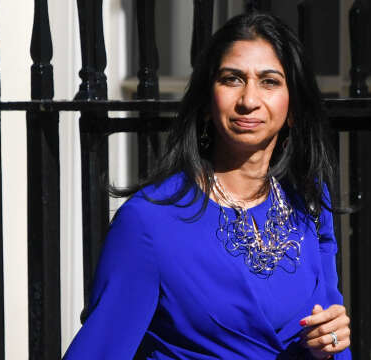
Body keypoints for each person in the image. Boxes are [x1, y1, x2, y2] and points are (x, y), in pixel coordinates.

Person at [63, 12, 351, 360]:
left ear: (292, 108)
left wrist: (331, 342)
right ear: (205, 103)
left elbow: (330, 333)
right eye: (232, 79)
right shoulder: (149, 222)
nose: (249, 100)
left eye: (270, 81)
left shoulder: (308, 198)